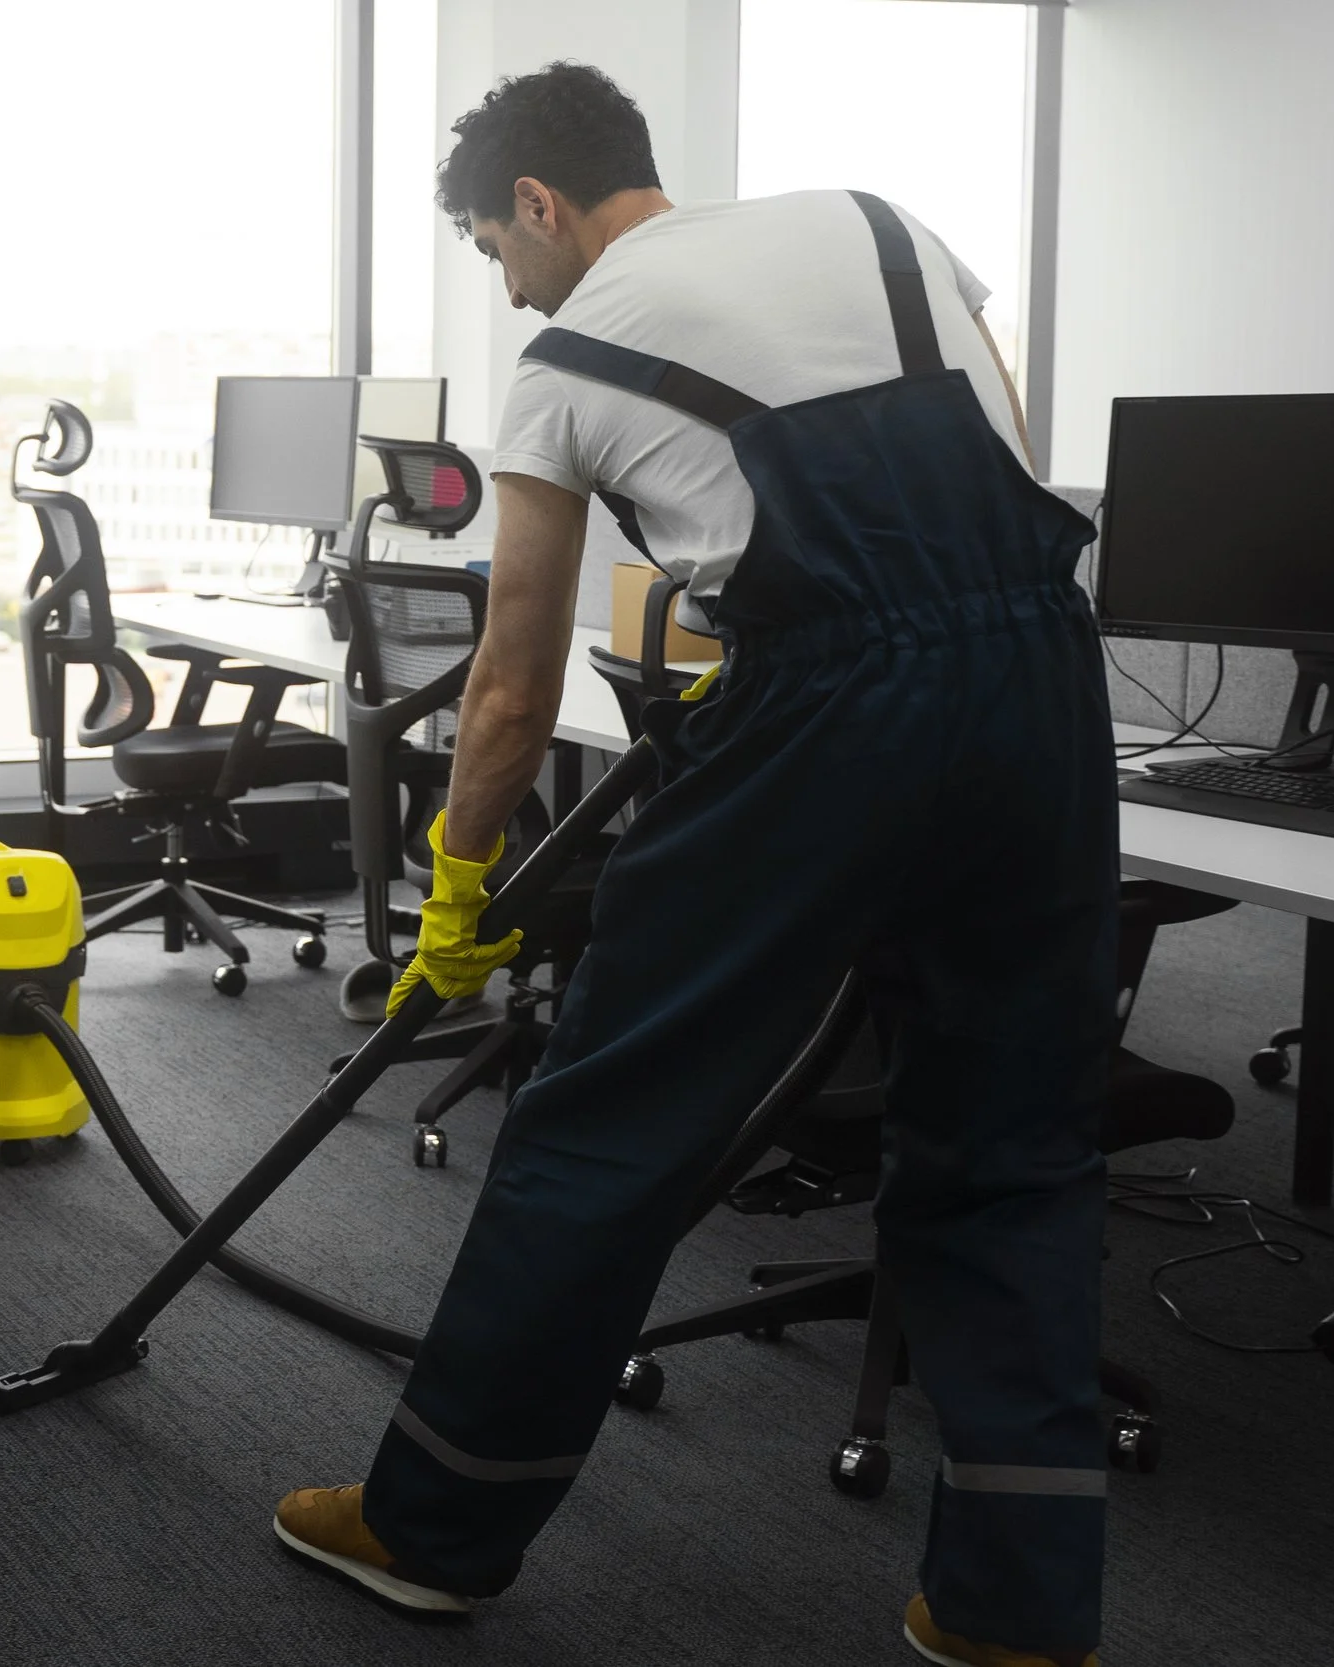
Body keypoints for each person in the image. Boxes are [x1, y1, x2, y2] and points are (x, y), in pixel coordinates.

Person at [270, 64, 1114, 1667]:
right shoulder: (883, 223)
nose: (507, 287)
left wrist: (457, 884)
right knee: (1015, 1135)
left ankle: (436, 1525)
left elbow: (511, 686)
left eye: (492, 249)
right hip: (1042, 679)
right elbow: (996, 463)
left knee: (606, 1115)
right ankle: (1016, 1609)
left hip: (828, 713)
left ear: (537, 202)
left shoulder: (563, 360)